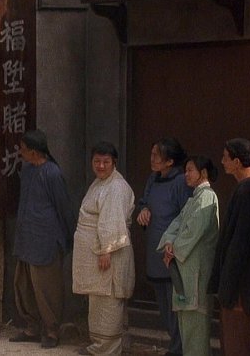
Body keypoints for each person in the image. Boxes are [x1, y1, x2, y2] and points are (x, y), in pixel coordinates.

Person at [9, 130, 76, 348]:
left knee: (47, 289)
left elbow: (63, 207)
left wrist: (67, 238)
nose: (21, 152)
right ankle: (32, 327)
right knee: (25, 286)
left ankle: (51, 331)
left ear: (34, 152)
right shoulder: (28, 170)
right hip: (26, 238)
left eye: (23, 149)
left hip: (46, 240)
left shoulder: (52, 173)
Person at [73, 141, 135, 356]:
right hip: (98, 251)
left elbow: (111, 220)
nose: (100, 166)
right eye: (97, 161)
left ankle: (107, 349)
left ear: (114, 162)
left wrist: (106, 250)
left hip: (109, 253)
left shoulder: (115, 187)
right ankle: (99, 346)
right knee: (99, 300)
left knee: (108, 300)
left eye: (105, 162)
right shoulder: (100, 183)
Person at [209, 138, 250, 356]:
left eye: (226, 157)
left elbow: (241, 242)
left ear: (236, 161)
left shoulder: (249, 189)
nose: (222, 161)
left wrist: (229, 284)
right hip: (241, 281)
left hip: (241, 284)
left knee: (238, 340)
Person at [157, 156, 220, 356]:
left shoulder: (207, 196)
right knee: (187, 329)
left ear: (203, 173)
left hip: (196, 271)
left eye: (190, 170)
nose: (186, 174)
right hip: (184, 270)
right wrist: (169, 243)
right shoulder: (194, 198)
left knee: (196, 330)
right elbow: (176, 224)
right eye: (186, 170)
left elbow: (194, 231)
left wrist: (174, 250)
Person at [135, 137, 189, 356]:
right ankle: (175, 346)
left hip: (171, 252)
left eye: (157, 155)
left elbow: (186, 216)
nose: (152, 158)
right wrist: (143, 210)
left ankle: (178, 349)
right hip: (154, 250)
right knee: (164, 306)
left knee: (175, 305)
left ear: (170, 161)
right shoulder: (153, 179)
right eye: (152, 154)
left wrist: (175, 245)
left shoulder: (180, 182)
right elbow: (144, 201)